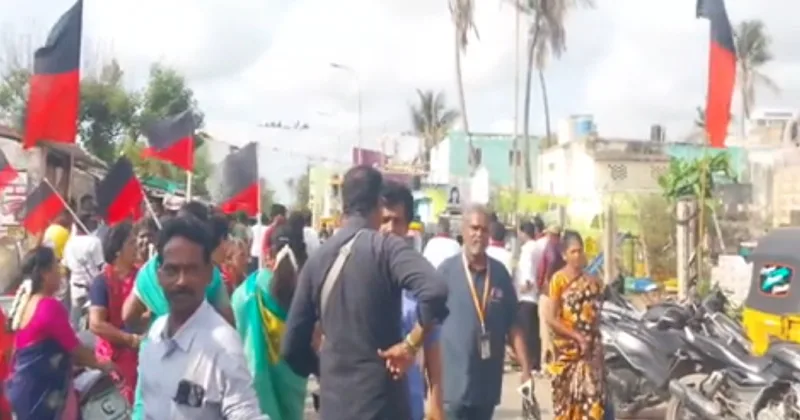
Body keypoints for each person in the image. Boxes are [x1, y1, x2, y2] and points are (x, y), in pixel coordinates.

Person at [281, 165, 449, 420]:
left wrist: (329, 371)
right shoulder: (385, 249)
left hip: (335, 408)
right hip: (383, 406)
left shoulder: (317, 260)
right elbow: (435, 289)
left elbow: (291, 348)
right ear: (379, 203)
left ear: (343, 205)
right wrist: (410, 345)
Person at [137, 216, 267, 419]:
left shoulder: (223, 344)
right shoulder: (155, 336)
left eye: (191, 270)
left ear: (208, 275)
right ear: (160, 275)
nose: (181, 281)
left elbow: (246, 413)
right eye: (172, 270)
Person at [124, 203, 235, 419]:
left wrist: (150, 325)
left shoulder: (148, 271)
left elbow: (128, 315)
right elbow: (228, 322)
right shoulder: (207, 274)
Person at [438, 205, 531, 420]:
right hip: (452, 386)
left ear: (489, 234)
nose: (478, 234)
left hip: (486, 386)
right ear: (463, 231)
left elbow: (513, 324)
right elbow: (429, 323)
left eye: (484, 229)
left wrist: (526, 368)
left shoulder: (499, 274)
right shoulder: (446, 272)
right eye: (474, 228)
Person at [6, 247, 114, 420]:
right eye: (56, 266)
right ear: (44, 273)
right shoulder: (48, 306)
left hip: (25, 395)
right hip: (44, 397)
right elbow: (75, 349)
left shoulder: (27, 305)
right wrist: (104, 364)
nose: (61, 272)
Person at [380, 181, 444, 420]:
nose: (389, 228)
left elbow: (433, 346)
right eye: (384, 220)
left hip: (409, 404)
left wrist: (436, 402)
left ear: (407, 227)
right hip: (366, 403)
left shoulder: (419, 284)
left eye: (397, 221)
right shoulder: (359, 276)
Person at [232, 222, 308, 419]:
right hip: (293, 391)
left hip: (253, 396)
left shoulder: (246, 293)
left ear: (267, 256)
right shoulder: (306, 295)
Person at [545, 230, 606, 420]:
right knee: (567, 409)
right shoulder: (559, 280)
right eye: (573, 251)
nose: (578, 255)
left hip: (590, 353)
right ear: (564, 255)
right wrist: (577, 337)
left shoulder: (592, 281)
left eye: (580, 251)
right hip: (568, 353)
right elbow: (551, 318)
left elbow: (597, 315)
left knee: (593, 405)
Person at [88, 221, 142, 404]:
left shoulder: (142, 277)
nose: (137, 246)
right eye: (131, 243)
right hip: (113, 358)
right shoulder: (102, 282)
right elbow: (96, 324)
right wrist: (129, 339)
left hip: (142, 353)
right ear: (118, 251)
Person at [515, 220, 547, 373]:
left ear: (522, 232)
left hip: (526, 296)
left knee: (526, 332)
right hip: (536, 295)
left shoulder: (527, 250)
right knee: (534, 332)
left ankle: (529, 363)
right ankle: (535, 363)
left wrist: (524, 287)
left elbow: (527, 270)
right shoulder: (538, 247)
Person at [62, 213, 104, 328]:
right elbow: (101, 266)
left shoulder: (69, 244)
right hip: (94, 288)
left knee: (75, 323)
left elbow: (66, 267)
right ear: (86, 224)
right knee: (96, 321)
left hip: (76, 288)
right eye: (92, 222)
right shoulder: (94, 241)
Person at [537, 223, 564, 367]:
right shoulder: (563, 249)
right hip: (559, 293)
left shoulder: (550, 248)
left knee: (546, 332)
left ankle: (547, 365)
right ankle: (556, 362)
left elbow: (545, 268)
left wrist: (544, 282)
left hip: (548, 293)